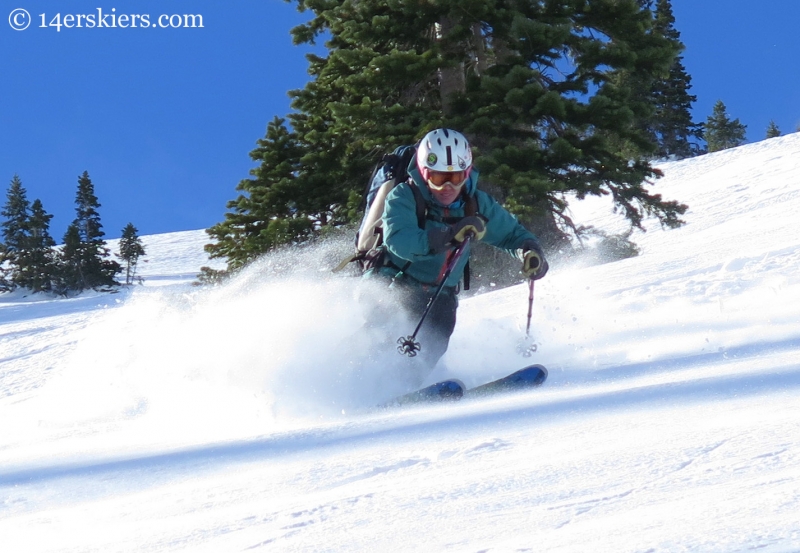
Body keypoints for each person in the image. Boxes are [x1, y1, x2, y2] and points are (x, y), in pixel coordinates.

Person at [362, 128, 548, 386]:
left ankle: (404, 392)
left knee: (428, 351)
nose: (448, 187)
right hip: (393, 284)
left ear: (467, 172)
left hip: (441, 296)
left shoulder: (476, 203)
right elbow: (400, 242)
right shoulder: (404, 196)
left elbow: (512, 234)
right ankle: (358, 385)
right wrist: (448, 236)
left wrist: (529, 251)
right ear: (425, 172)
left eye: (456, 176)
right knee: (379, 342)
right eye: (438, 177)